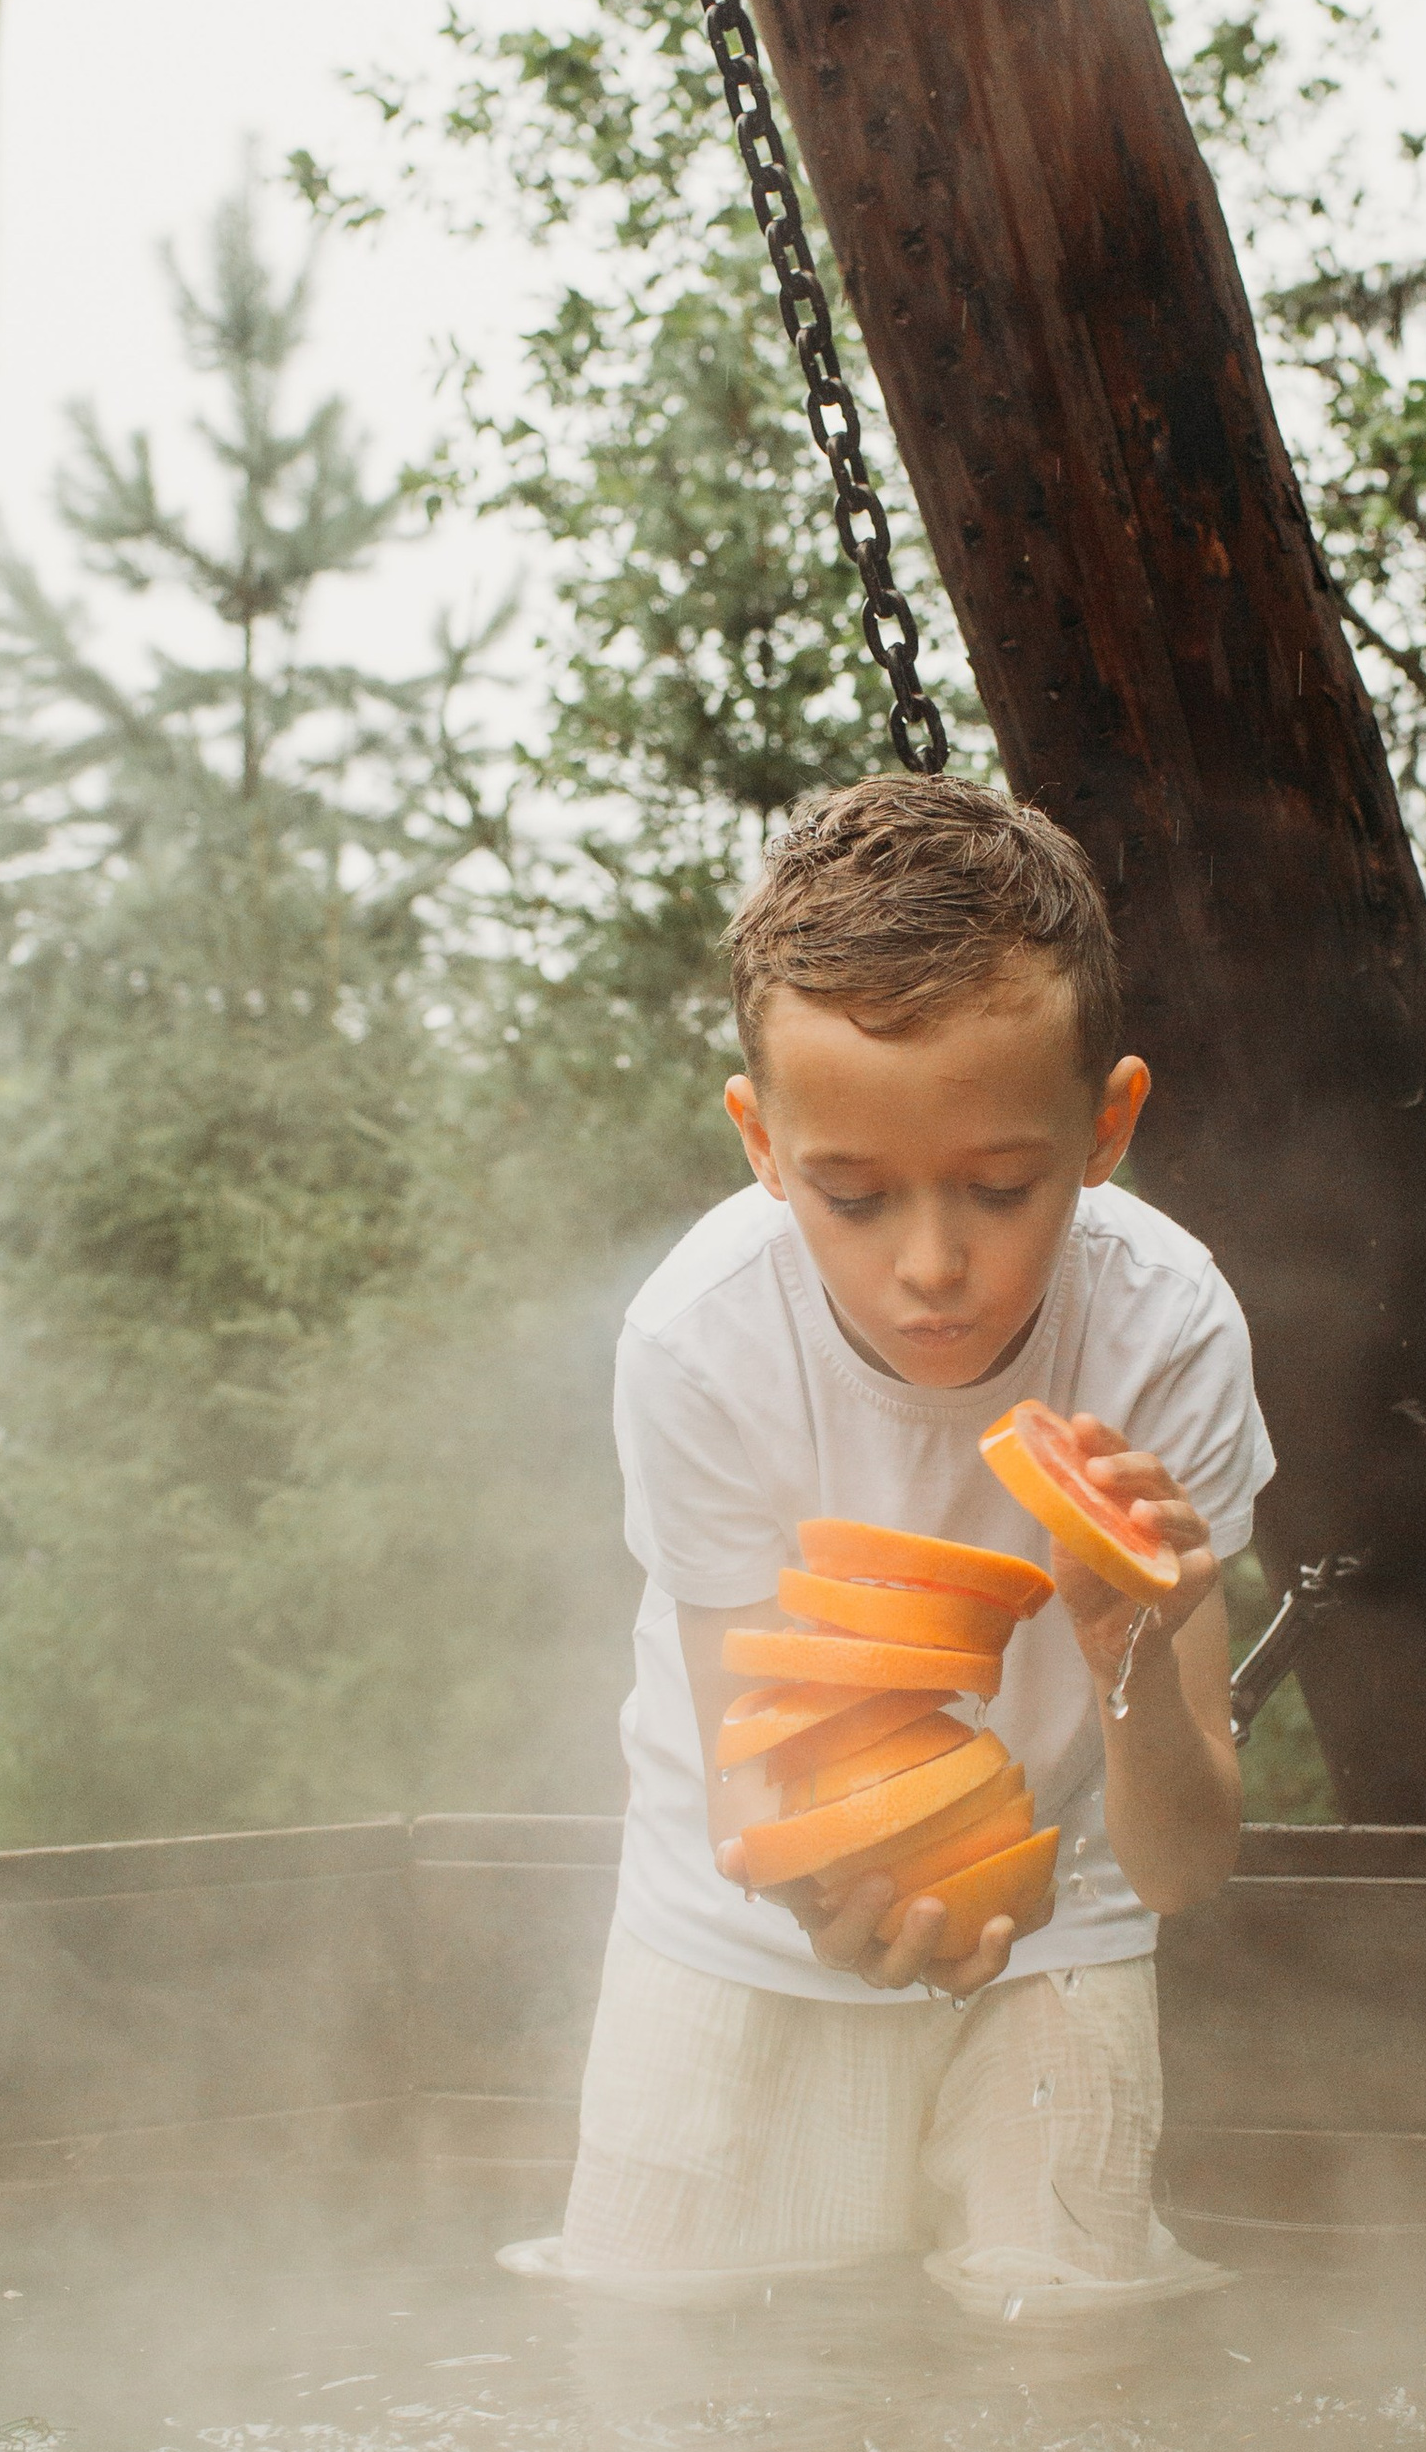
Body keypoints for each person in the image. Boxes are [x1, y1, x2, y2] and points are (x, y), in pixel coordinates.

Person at [501, 773, 1274, 2316]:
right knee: (655, 2366)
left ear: (1106, 1123)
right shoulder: (702, 1340)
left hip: (1074, 1917)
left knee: (1072, 2359)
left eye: (1002, 1187)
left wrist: (1128, 1658)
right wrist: (837, 1906)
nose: (933, 1268)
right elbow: (753, 1777)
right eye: (853, 1197)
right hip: (734, 1919)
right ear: (765, 1145)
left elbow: (1183, 1865)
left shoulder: (1165, 1327)